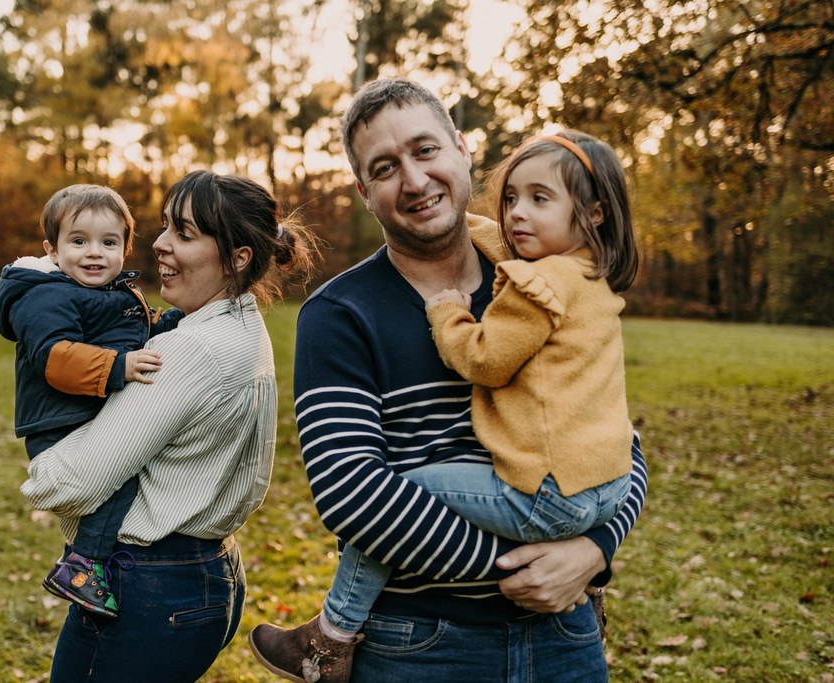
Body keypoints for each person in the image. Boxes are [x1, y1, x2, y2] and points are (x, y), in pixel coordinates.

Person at [249, 78, 648, 683]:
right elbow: (352, 495)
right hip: (418, 646)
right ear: (364, 191)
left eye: (426, 150)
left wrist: (594, 551)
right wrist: (528, 571)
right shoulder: (341, 315)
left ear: (463, 149)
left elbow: (616, 440)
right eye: (385, 167)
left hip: (566, 637)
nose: (413, 180)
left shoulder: (539, 274)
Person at [19, 170, 322, 682]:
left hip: (149, 590)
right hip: (207, 573)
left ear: (237, 257)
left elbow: (70, 483)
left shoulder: (190, 349)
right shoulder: (242, 325)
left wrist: (39, 462)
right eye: (163, 227)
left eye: (183, 233)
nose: (159, 244)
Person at [0, 183, 182, 617]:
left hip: (83, 412)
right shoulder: (47, 295)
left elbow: (133, 335)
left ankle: (90, 558)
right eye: (79, 241)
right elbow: (54, 358)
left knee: (126, 476)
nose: (94, 252)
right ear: (53, 251)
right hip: (59, 422)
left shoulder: (109, 293)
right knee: (117, 481)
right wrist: (117, 367)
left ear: (124, 250)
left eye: (108, 242)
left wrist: (169, 325)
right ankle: (82, 563)